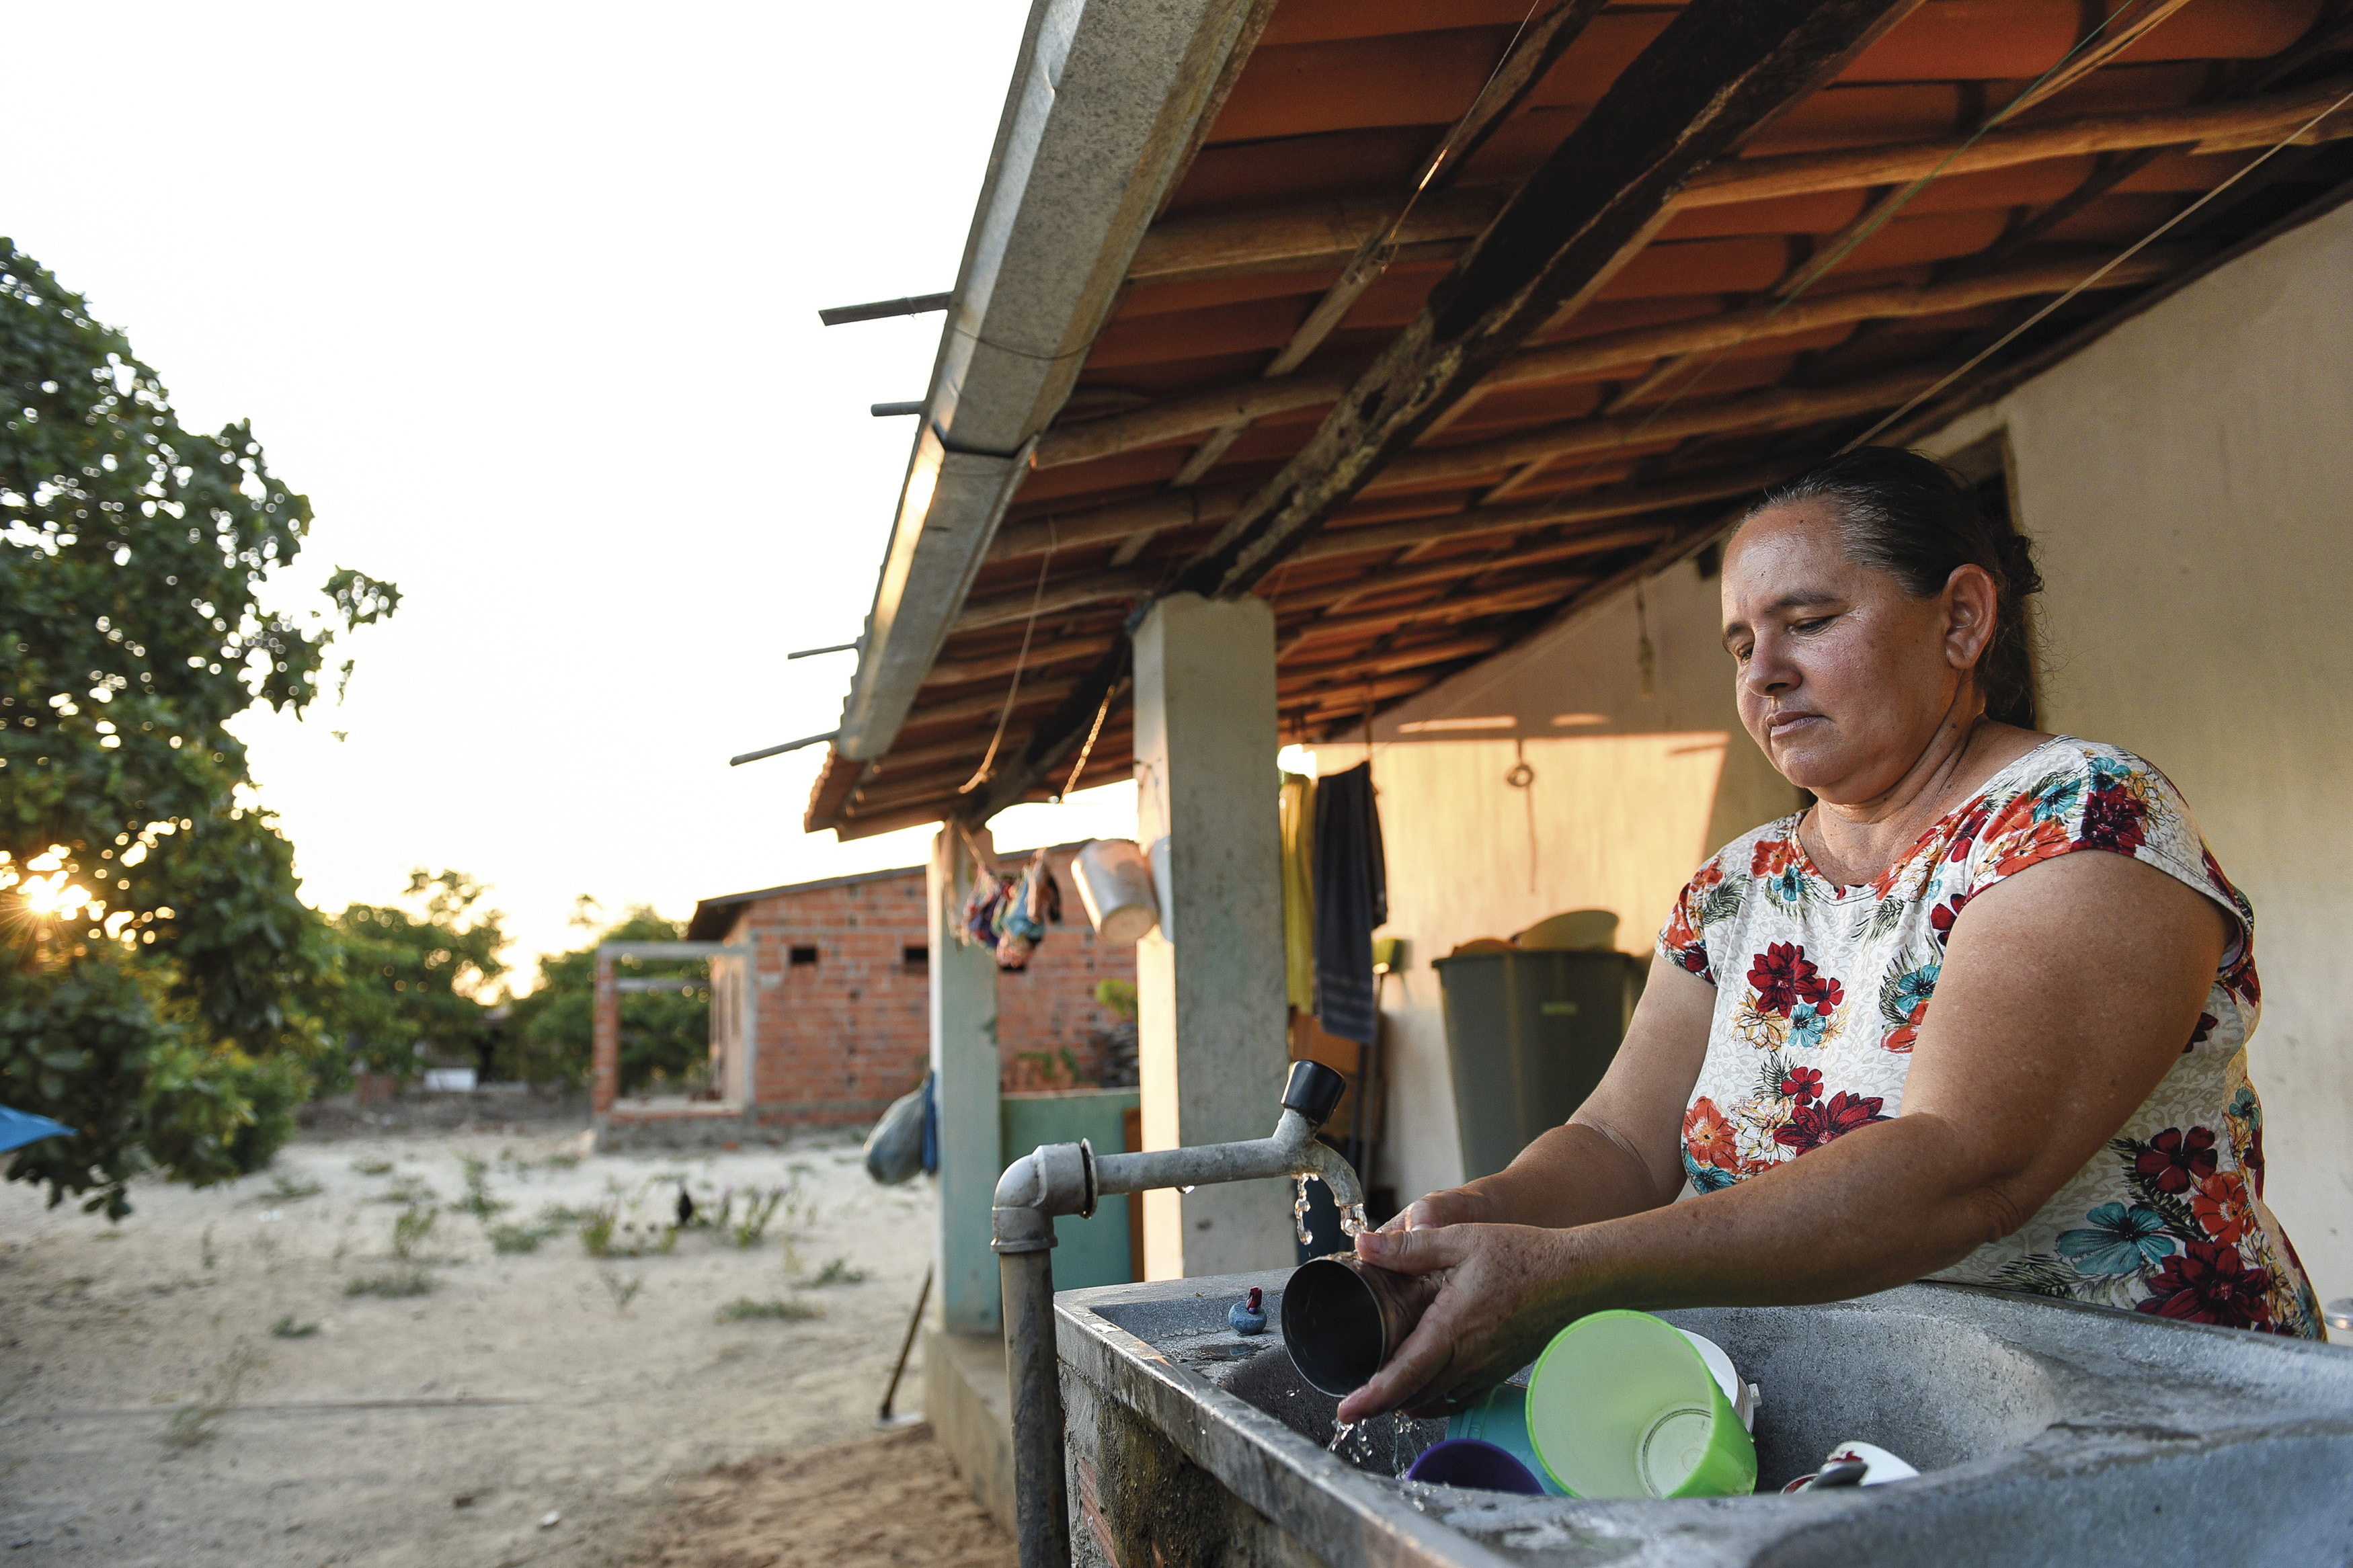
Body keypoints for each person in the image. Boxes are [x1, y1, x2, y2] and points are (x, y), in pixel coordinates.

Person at [1336, 446, 2323, 1425]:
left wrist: (1569, 1272)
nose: (1764, 674)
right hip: (1885, 1425)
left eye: (1807, 622)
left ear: (1963, 620)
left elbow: (1958, 1167)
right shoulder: (1736, 890)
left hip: (2163, 1431)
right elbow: (1617, 1143)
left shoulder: (2082, 817)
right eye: (1739, 646)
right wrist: (1487, 1212)